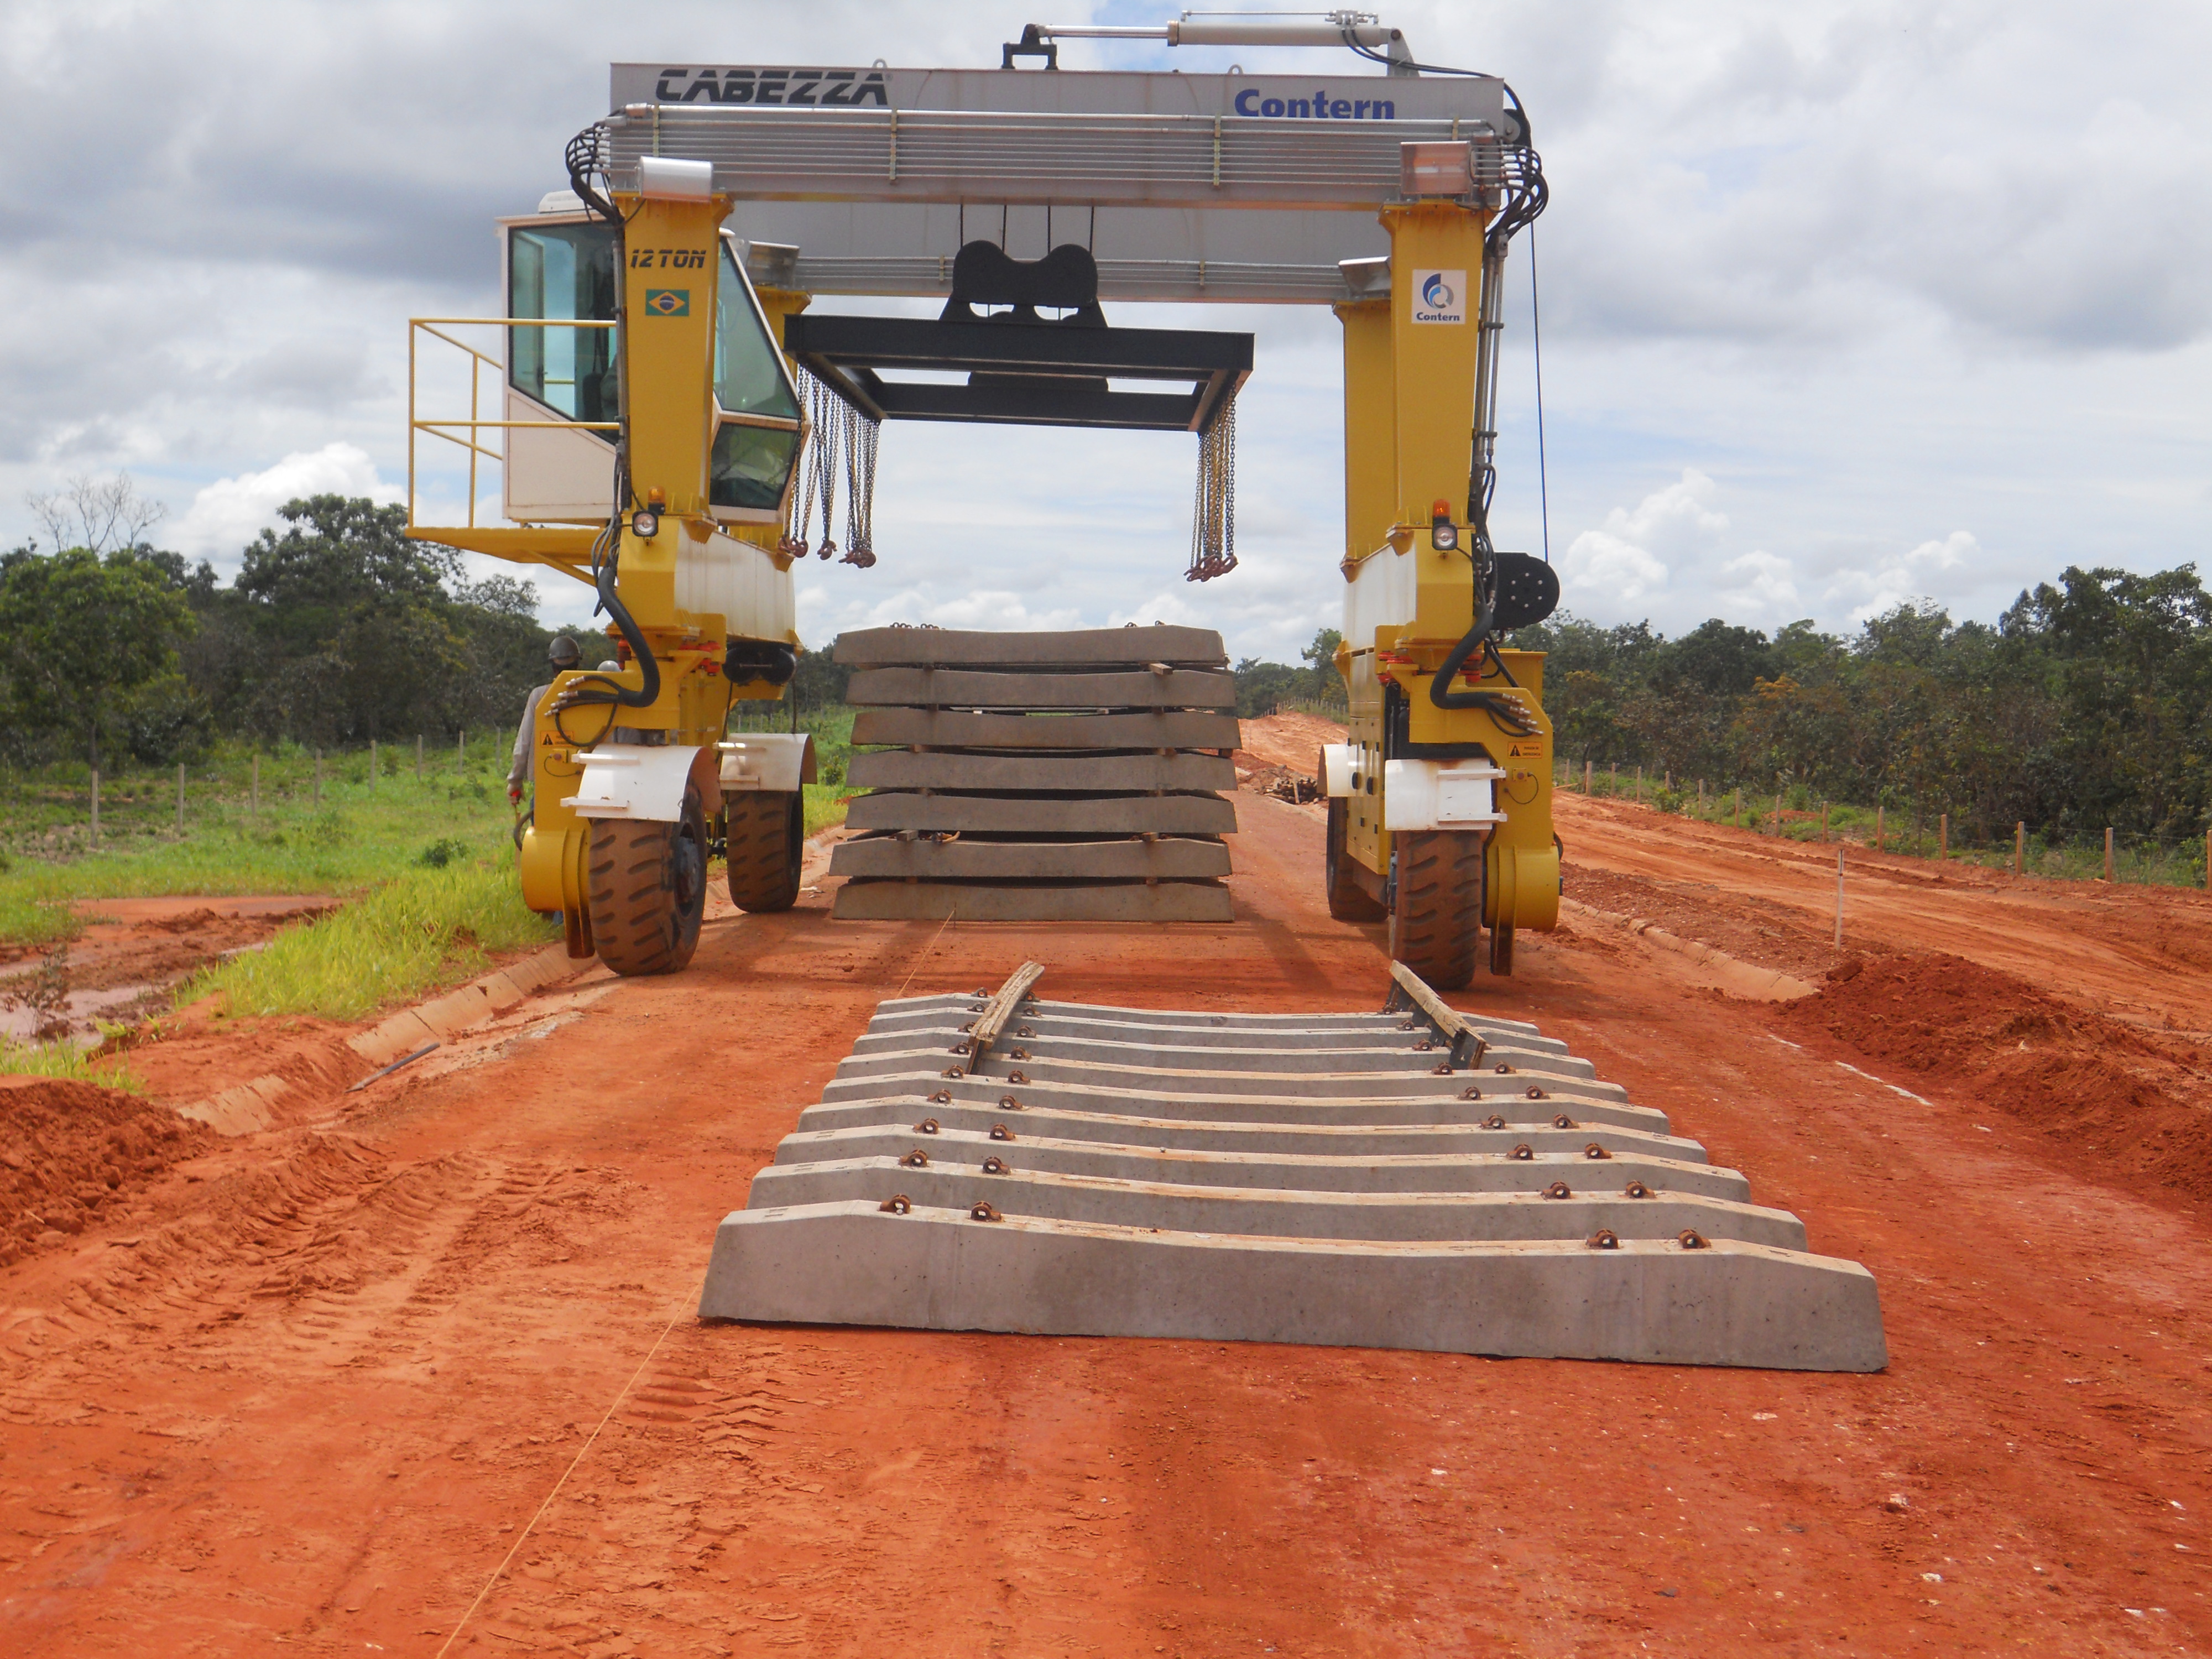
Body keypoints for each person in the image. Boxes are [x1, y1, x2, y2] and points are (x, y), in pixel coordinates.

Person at [509, 635, 583, 806]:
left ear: (553, 666)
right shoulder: (595, 696)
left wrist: (515, 780)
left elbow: (524, 742)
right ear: (578, 664)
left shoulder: (539, 697)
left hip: (545, 784)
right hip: (586, 783)